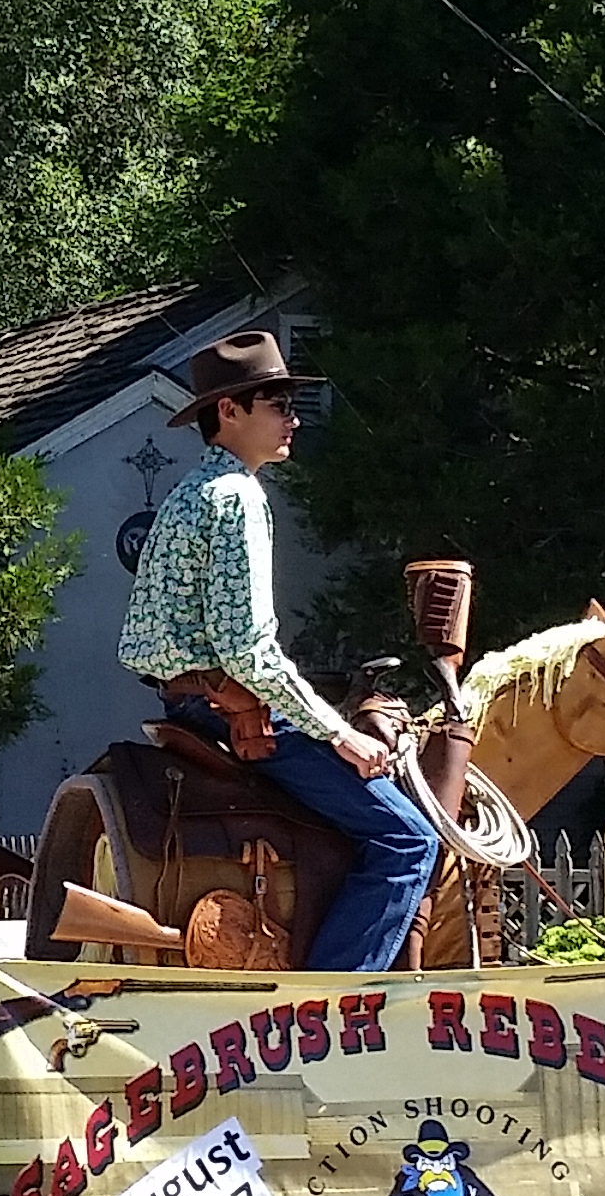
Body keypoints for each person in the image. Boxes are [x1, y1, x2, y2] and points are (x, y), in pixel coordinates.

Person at [115, 330, 440, 970]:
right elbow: (247, 652)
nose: (294, 419)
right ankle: (333, 1001)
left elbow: (141, 643)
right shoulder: (237, 498)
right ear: (228, 411)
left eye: (292, 404)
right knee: (408, 841)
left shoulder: (187, 495)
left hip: (188, 703)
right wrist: (341, 733)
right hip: (233, 709)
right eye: (278, 404)